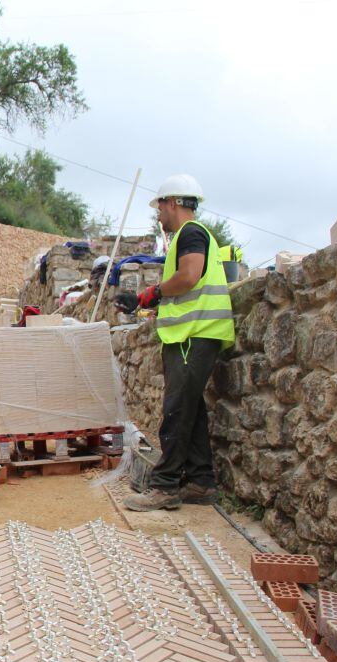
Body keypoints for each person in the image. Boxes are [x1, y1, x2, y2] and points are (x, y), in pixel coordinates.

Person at [117, 174, 234, 512]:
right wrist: (144, 300)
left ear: (172, 203)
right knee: (192, 410)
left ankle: (165, 485)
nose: (158, 215)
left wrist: (150, 293)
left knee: (177, 410)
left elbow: (188, 277)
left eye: (160, 207)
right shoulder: (193, 235)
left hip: (192, 334)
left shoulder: (191, 233)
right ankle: (200, 481)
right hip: (195, 333)